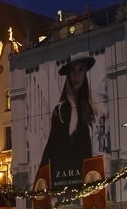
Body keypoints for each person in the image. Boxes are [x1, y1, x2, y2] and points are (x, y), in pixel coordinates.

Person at [36, 53, 96, 192]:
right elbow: (52, 147)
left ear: (85, 73)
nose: (76, 75)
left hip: (82, 178)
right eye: (72, 70)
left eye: (80, 70)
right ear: (68, 75)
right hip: (67, 179)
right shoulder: (62, 110)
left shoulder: (86, 109)